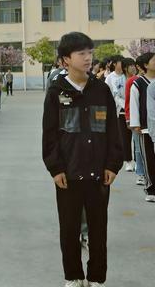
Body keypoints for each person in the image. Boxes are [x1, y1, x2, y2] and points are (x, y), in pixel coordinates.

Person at [43, 32, 123, 287]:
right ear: (66, 59)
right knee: (69, 229)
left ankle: (97, 277)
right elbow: (49, 134)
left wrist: (113, 164)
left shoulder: (101, 90)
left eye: (90, 52)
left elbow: (113, 131)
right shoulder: (57, 91)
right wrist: (55, 168)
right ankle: (74, 277)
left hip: (99, 173)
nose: (88, 58)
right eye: (82, 53)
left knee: (98, 230)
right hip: (68, 173)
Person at [129, 51, 155, 202]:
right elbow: (134, 103)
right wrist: (136, 124)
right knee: (149, 159)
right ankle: (151, 189)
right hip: (145, 127)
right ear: (145, 65)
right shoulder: (138, 83)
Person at [105, 55, 131, 171]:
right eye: (121, 62)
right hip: (118, 110)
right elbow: (108, 94)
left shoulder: (127, 77)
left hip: (130, 109)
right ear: (115, 64)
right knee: (124, 137)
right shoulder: (110, 77)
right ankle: (128, 160)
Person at [125, 57, 144, 185]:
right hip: (138, 120)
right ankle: (141, 173)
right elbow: (129, 102)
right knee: (138, 148)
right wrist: (129, 119)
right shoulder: (133, 81)